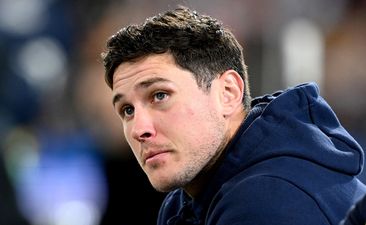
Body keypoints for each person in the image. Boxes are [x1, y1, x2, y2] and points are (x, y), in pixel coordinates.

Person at [100, 6, 366, 225]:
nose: (138, 129)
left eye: (160, 95)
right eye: (128, 110)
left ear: (228, 92)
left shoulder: (268, 203)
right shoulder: (186, 198)